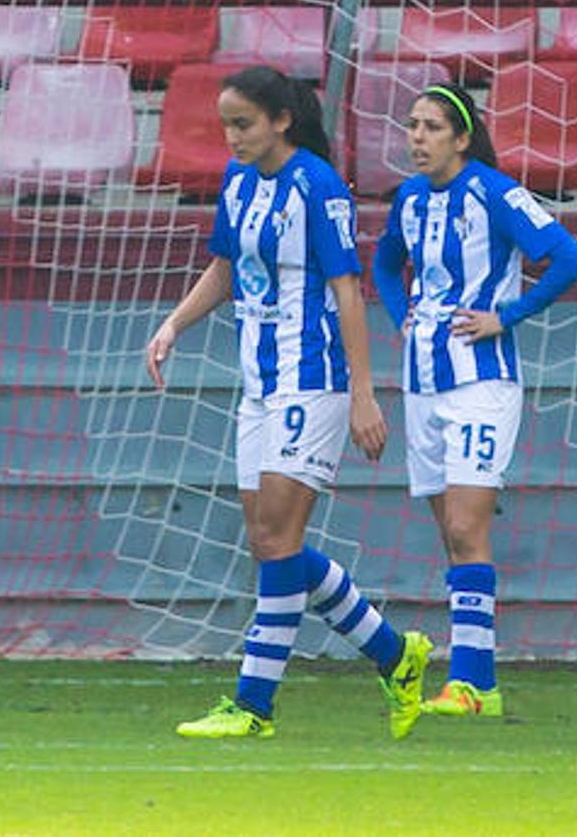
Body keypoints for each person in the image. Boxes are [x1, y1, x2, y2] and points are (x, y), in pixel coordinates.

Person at [149, 65, 431, 740]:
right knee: (271, 542)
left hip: (313, 378)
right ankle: (395, 656)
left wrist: (362, 394)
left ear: (281, 120)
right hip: (259, 380)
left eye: (242, 124)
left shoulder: (316, 186)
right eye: (226, 125)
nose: (232, 137)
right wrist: (173, 325)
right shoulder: (239, 180)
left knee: (276, 538)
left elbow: (347, 290)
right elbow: (225, 266)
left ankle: (253, 706)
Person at [371, 84, 577, 718]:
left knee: (468, 527)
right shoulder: (410, 199)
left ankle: (471, 683)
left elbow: (569, 258)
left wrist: (509, 315)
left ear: (461, 137)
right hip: (423, 380)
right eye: (412, 125)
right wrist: (402, 315)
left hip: (481, 380)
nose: (416, 138)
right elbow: (386, 266)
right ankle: (478, 683)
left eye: (431, 127)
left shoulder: (493, 191)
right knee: (453, 535)